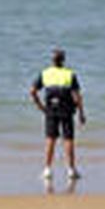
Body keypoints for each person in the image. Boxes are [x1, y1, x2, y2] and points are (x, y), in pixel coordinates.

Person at [29, 48, 85, 183]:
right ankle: (71, 170)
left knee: (50, 139)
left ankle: (47, 169)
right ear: (63, 60)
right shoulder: (70, 74)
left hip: (51, 110)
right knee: (68, 139)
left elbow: (32, 91)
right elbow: (77, 97)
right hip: (67, 110)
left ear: (52, 61)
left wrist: (40, 107)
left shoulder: (45, 73)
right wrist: (81, 113)